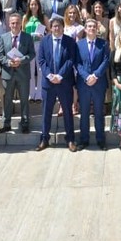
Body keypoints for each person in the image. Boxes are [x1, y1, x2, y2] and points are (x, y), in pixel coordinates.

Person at [35, 17, 78, 152]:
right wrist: (49, 75)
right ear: (50, 28)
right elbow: (41, 60)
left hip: (64, 82)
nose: (56, 28)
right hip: (48, 83)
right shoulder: (44, 41)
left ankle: (70, 138)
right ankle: (44, 139)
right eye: (54, 26)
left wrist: (60, 75)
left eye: (59, 26)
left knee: (67, 112)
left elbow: (71, 59)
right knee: (46, 112)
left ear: (63, 27)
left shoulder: (70, 41)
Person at [0, 13, 35, 134]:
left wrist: (22, 60)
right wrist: (8, 62)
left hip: (23, 74)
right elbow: (0, 55)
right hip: (8, 74)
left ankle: (25, 123)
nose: (15, 25)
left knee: (24, 99)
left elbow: (32, 54)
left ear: (21, 24)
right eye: (13, 23)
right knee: (7, 100)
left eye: (17, 23)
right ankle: (6, 123)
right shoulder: (3, 37)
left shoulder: (27, 37)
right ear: (9, 24)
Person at [75, 19, 110, 150]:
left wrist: (95, 75)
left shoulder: (103, 44)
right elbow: (77, 63)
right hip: (84, 84)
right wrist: (86, 77)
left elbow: (106, 61)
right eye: (89, 26)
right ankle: (84, 140)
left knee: (99, 113)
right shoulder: (79, 44)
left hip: (98, 83)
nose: (91, 29)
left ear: (97, 29)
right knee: (84, 113)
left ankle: (101, 140)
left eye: (94, 27)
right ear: (85, 29)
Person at [23, 0, 47, 101]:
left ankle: (39, 94)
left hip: (40, 44)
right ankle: (31, 93)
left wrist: (44, 35)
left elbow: (49, 31)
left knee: (40, 70)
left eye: (35, 4)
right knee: (30, 70)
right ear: (29, 6)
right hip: (29, 45)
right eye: (32, 4)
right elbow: (23, 31)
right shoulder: (25, 18)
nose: (33, 6)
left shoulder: (43, 17)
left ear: (38, 6)